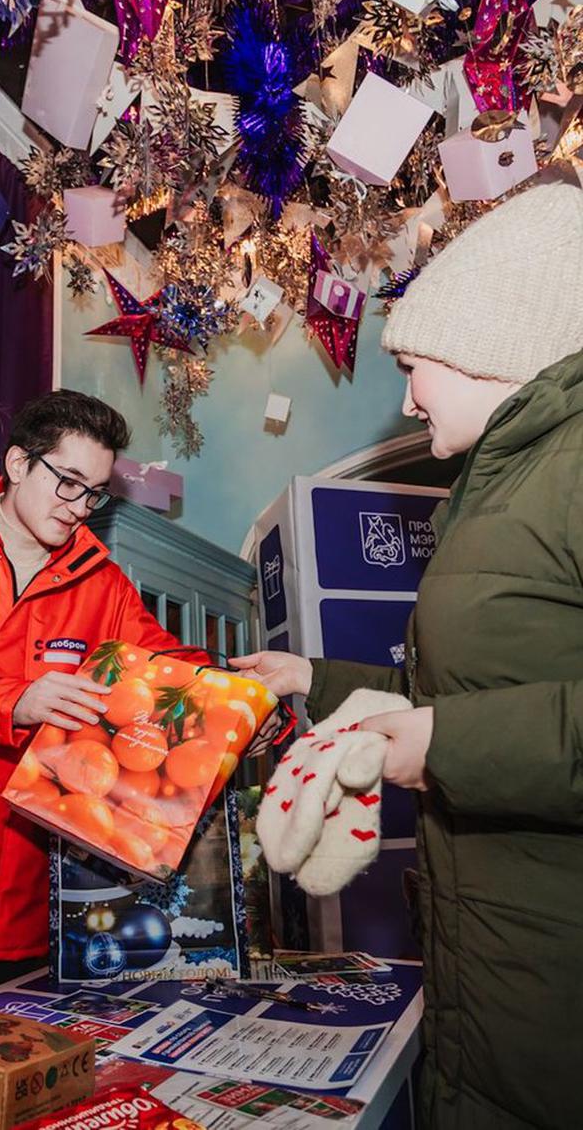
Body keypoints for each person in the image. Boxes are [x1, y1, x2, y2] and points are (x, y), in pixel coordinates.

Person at [232, 182, 583, 1130]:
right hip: (495, 977)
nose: (404, 393)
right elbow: (470, 694)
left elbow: (460, 725)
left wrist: (441, 747)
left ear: (490, 350)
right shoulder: (500, 483)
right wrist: (317, 681)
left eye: (415, 363)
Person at [0, 390, 201, 987]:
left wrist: (248, 698)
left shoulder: (104, 584)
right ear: (19, 465)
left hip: (23, 901)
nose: (79, 507)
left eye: (94, 493)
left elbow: (169, 666)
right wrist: (10, 701)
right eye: (67, 481)